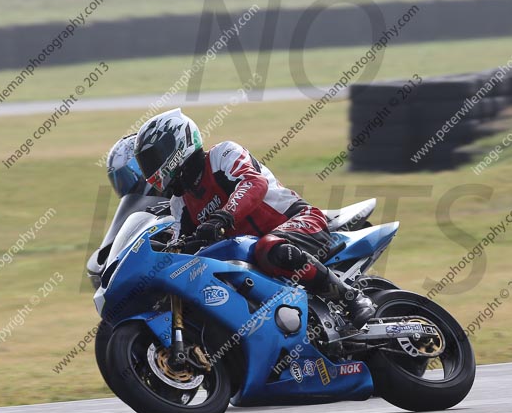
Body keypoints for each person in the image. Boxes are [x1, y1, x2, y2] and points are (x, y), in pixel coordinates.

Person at [133, 108, 375, 327]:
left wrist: (222, 218)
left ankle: (351, 298)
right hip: (251, 253)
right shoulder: (180, 203)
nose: (151, 170)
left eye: (154, 159)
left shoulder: (222, 155)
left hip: (299, 222)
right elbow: (180, 246)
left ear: (177, 146)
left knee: (271, 248)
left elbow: (253, 183)